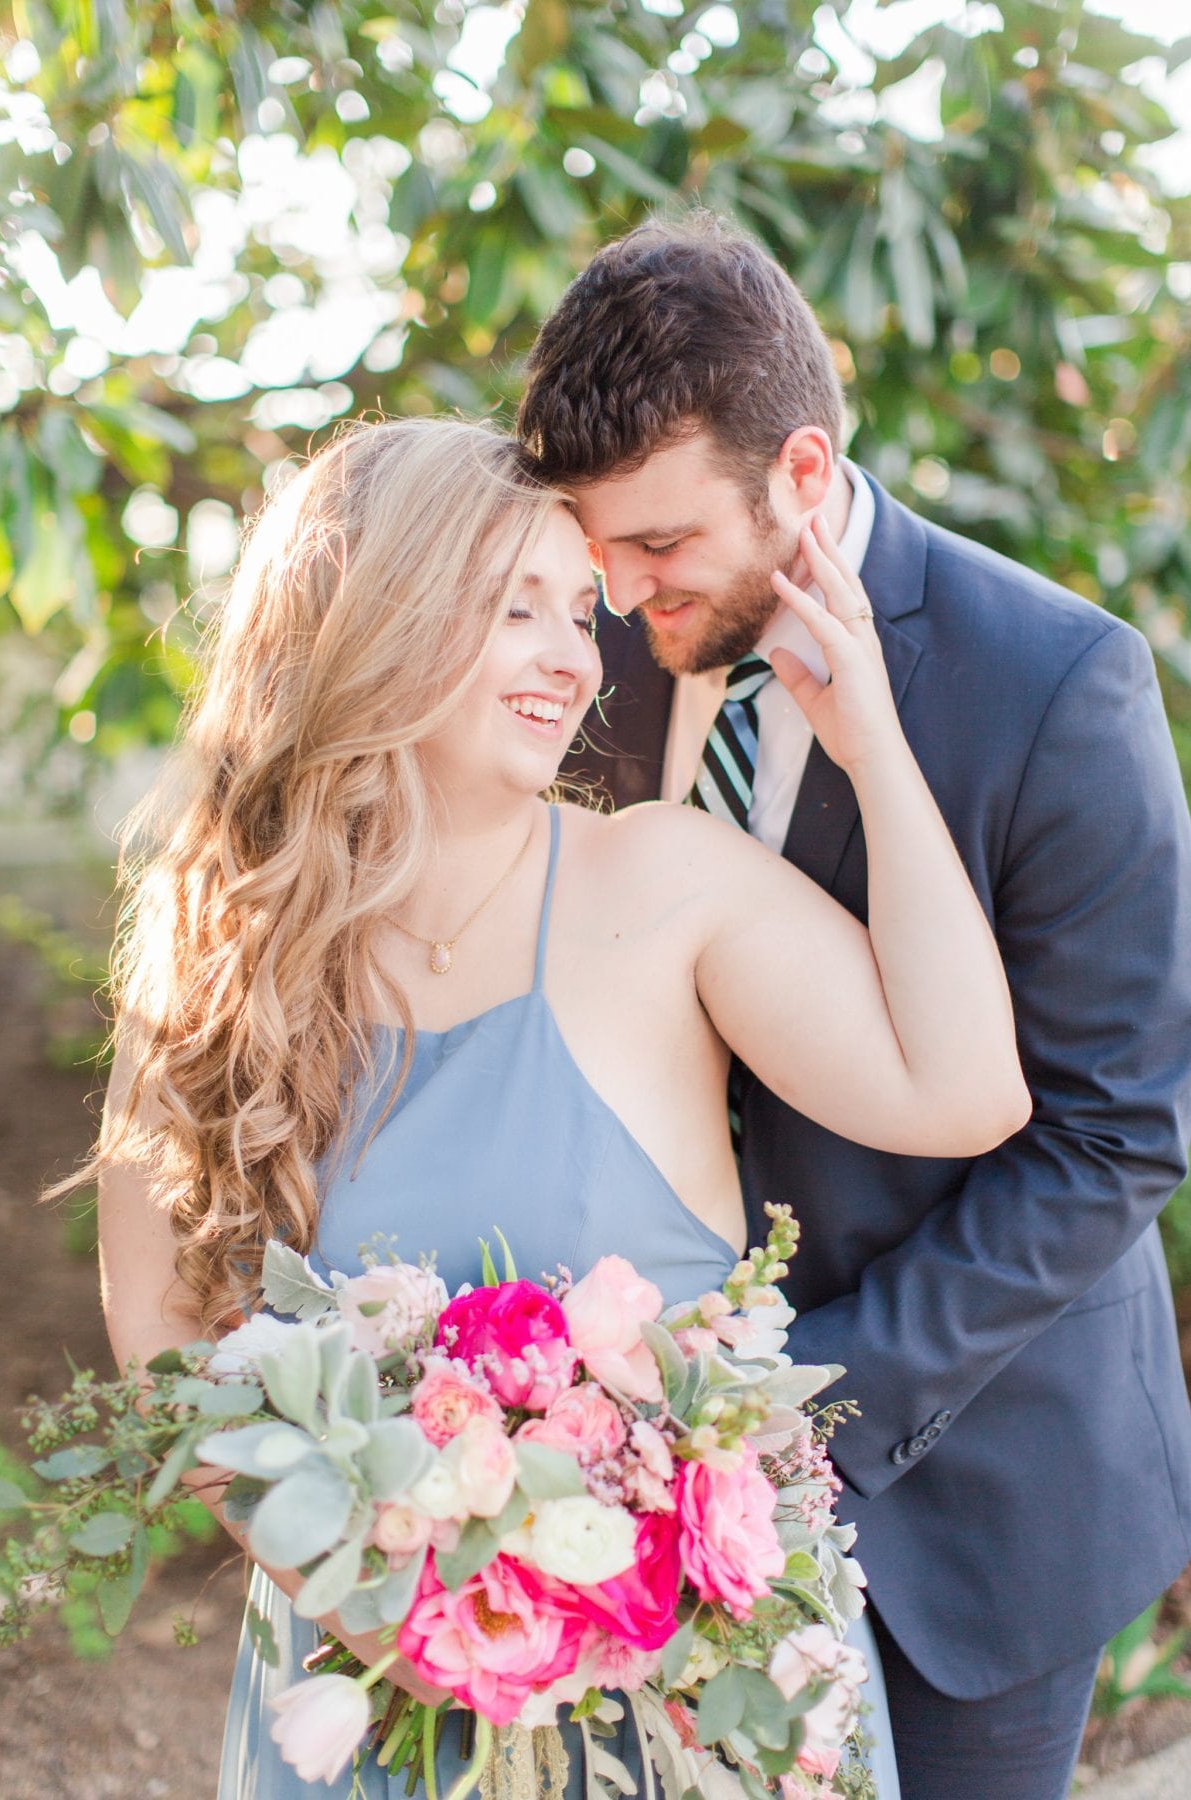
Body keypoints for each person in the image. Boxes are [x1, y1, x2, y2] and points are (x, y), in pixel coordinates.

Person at [91, 416, 1029, 1798]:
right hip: (375, 1704)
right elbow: (167, 1338)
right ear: (375, 615)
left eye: (578, 611)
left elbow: (966, 1093)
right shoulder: (215, 954)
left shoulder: (663, 885)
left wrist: (870, 742)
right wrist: (383, 1615)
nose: (573, 657)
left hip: (698, 1716)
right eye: (513, 607)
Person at [516, 211, 1191, 1800]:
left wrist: (810, 1393)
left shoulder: (1061, 690)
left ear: (802, 476)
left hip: (979, 1494)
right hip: (645, 1480)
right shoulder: (597, 647)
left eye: (662, 546)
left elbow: (1114, 1136)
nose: (616, 588)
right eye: (596, 543)